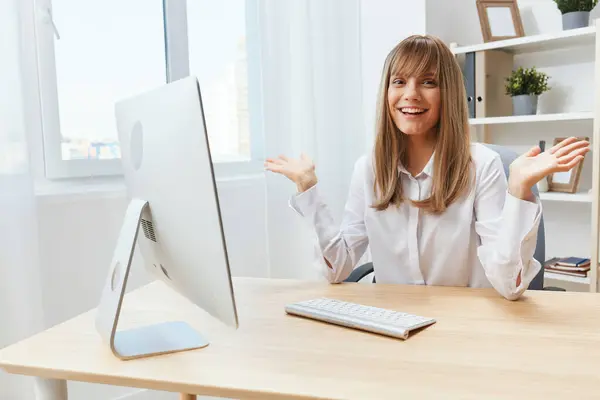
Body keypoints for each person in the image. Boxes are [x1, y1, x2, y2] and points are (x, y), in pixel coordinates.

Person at [264, 34, 589, 300]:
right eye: (400, 81)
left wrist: (518, 188)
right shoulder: (369, 169)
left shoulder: (481, 165)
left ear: (447, 92)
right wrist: (308, 188)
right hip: (394, 323)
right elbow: (337, 269)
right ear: (387, 91)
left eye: (428, 82)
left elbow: (508, 284)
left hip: (466, 330)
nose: (411, 95)